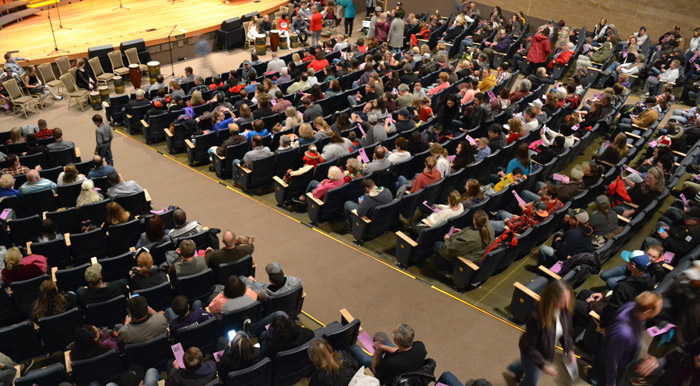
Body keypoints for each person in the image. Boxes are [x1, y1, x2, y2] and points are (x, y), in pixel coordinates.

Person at [504, 281, 575, 386]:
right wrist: (543, 366)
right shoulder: (536, 316)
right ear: (552, 299)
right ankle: (519, 368)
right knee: (531, 381)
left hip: (543, 350)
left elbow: (566, 333)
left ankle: (515, 368)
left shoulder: (564, 311)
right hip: (531, 353)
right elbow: (530, 346)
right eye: (563, 300)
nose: (566, 304)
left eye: (568, 299)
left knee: (525, 366)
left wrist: (569, 350)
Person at [587, 292, 663, 386]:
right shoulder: (624, 333)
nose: (660, 310)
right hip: (614, 369)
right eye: (658, 308)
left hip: (622, 359)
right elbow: (611, 361)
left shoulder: (632, 306)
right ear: (647, 312)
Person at [348, 323, 427, 385]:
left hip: (385, 377)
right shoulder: (420, 346)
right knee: (379, 335)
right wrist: (382, 346)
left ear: (396, 342)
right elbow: (401, 351)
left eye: (393, 334)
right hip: (406, 369)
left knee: (354, 348)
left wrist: (377, 351)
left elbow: (375, 370)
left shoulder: (392, 363)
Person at [435, 210, 494, 275]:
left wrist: (446, 239)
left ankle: (446, 272)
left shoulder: (470, 237)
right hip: (477, 255)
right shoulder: (490, 228)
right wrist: (462, 231)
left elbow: (450, 250)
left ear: (474, 221)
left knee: (438, 245)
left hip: (465, 261)